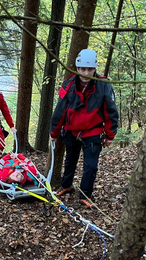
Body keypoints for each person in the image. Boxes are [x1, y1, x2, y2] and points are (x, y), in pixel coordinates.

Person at [49, 49, 119, 208]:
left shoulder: (103, 85)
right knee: (70, 160)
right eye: (82, 69)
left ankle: (85, 194)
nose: (86, 73)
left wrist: (110, 135)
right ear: (77, 68)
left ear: (94, 69)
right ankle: (66, 185)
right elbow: (59, 110)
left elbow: (111, 111)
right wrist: (53, 132)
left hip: (93, 131)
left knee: (91, 166)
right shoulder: (68, 85)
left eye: (89, 69)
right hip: (71, 131)